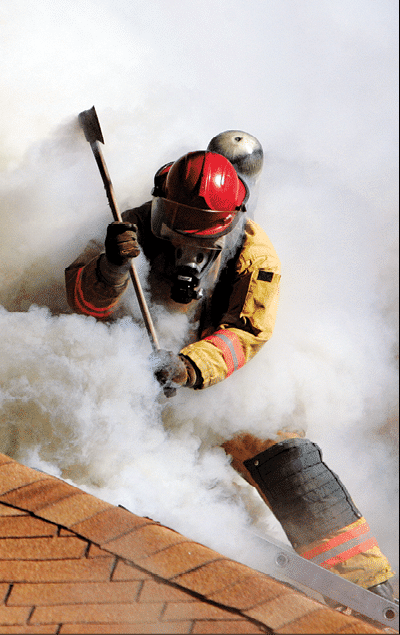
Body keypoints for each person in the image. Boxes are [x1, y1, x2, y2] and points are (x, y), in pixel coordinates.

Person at [65, 131, 395, 600]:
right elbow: (81, 305)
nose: (179, 233)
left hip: (203, 378)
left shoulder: (255, 258)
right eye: (174, 218)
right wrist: (111, 268)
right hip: (121, 363)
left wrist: (186, 367)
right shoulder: (132, 225)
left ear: (230, 220)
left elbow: (246, 335)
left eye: (196, 226)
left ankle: (367, 588)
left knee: (277, 446)